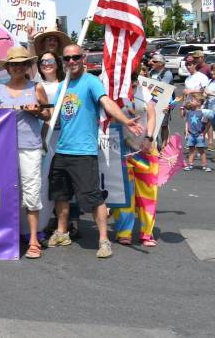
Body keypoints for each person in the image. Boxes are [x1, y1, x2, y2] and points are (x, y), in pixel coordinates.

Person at [46, 44, 144, 259]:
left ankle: (103, 240)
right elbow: (52, 114)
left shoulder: (91, 82)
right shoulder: (63, 86)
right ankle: (62, 232)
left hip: (83, 152)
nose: (72, 62)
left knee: (93, 198)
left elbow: (106, 102)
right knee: (61, 195)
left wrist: (126, 120)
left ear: (84, 58)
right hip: (62, 150)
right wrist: (36, 111)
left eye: (76, 57)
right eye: (67, 58)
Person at [0, 47, 51, 260]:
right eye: (14, 64)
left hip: (30, 147)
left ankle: (33, 239)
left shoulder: (36, 87)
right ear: (8, 67)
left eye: (22, 64)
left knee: (32, 192)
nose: (17, 67)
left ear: (27, 66)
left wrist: (36, 110)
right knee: (5, 193)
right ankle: (9, 237)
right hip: (4, 148)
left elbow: (48, 115)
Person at [112, 74, 160, 247]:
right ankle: (124, 231)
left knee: (148, 192)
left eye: (134, 81)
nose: (132, 85)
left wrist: (149, 137)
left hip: (145, 149)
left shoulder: (144, 92)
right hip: (123, 150)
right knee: (125, 192)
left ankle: (147, 232)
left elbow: (152, 115)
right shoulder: (114, 93)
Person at [182, 97, 213, 172]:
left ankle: (204, 166)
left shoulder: (203, 112)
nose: (191, 101)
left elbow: (209, 122)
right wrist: (186, 131)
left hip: (199, 134)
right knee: (191, 150)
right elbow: (187, 122)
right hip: (191, 134)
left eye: (193, 100)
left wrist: (204, 132)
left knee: (201, 150)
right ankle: (190, 164)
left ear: (199, 103)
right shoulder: (189, 112)